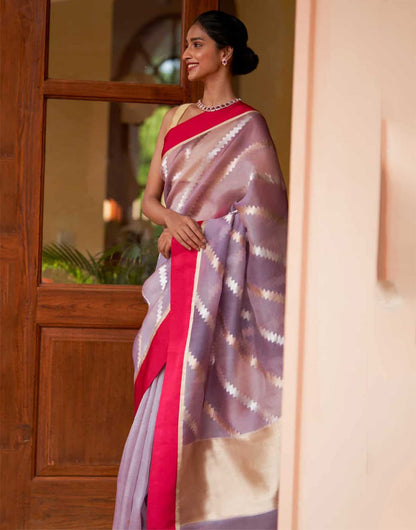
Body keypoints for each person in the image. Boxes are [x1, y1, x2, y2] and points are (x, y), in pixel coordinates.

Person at [113, 9, 288, 530]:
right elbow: (148, 199)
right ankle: (152, 513)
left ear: (225, 53)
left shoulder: (249, 126)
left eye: (196, 44)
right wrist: (172, 219)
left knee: (201, 393)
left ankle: (199, 513)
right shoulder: (176, 118)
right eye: (186, 45)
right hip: (175, 279)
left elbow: (269, 219)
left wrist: (210, 233)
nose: (186, 54)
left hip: (220, 285)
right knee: (163, 391)